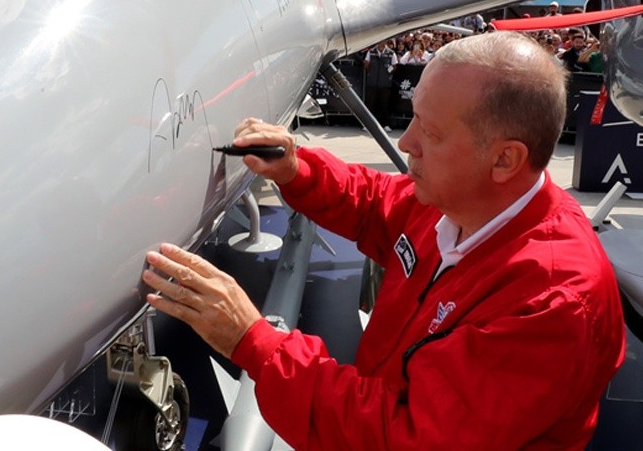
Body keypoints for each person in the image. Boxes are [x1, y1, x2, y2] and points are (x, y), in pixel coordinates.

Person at [142, 31, 625, 449]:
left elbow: (407, 439)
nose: (406, 142)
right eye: (412, 117)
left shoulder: (552, 304)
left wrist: (254, 342)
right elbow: (377, 203)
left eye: (430, 132)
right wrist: (296, 170)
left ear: (505, 161)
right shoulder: (459, 199)